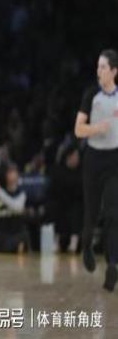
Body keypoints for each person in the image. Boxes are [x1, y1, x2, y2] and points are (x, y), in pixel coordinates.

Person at [75, 49, 118, 291]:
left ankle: (112, 265)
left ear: (114, 71)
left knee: (113, 213)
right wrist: (96, 128)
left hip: (114, 160)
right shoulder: (91, 94)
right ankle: (86, 246)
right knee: (91, 213)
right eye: (98, 66)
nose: (98, 70)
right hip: (93, 159)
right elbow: (78, 129)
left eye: (103, 67)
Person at [0, 163, 29, 253]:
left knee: (24, 235)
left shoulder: (21, 192)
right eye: (9, 172)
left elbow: (17, 208)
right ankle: (13, 247)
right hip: (1, 233)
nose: (12, 174)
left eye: (13, 171)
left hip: (16, 232)